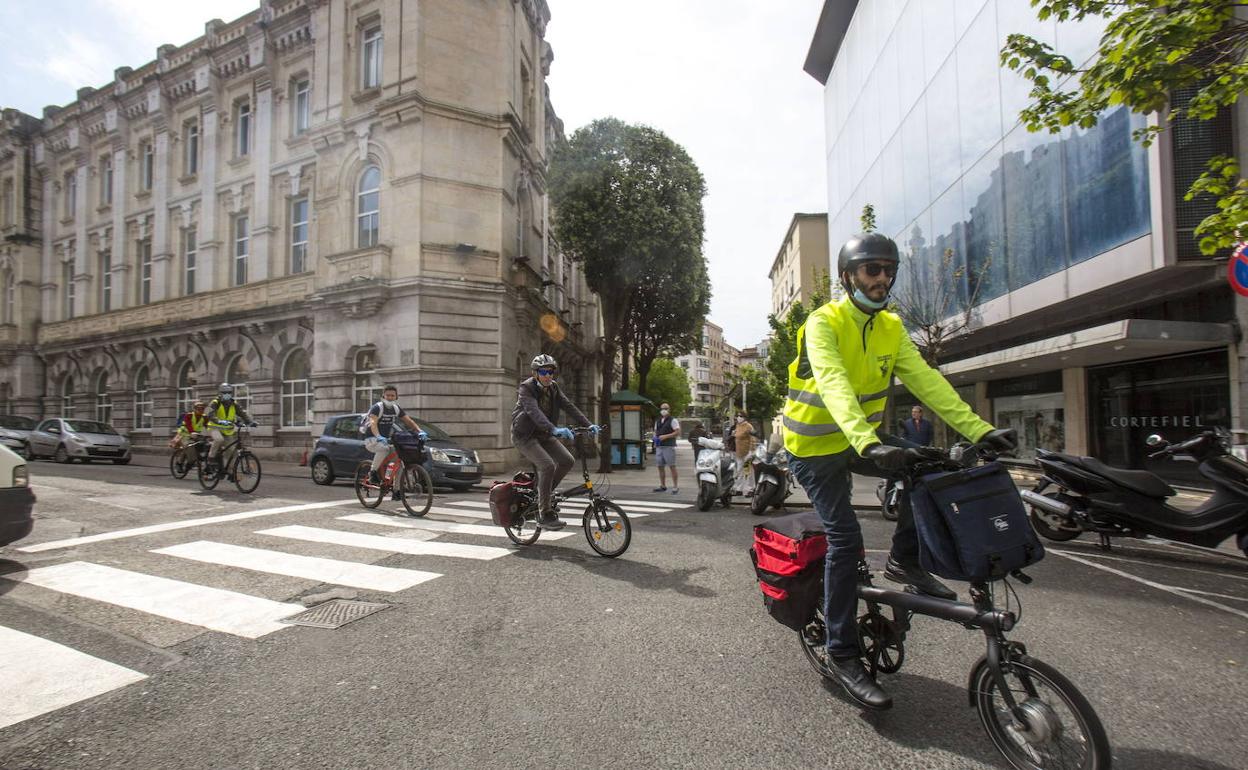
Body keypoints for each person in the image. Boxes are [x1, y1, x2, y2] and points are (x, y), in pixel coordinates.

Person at [782, 231, 1017, 711]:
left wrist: (979, 431)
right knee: (845, 540)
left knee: (930, 466)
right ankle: (842, 652)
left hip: (856, 438)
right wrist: (868, 442)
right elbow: (832, 381)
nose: (882, 278)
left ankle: (905, 560)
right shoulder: (822, 323)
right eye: (873, 270)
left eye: (889, 270)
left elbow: (926, 381)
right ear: (849, 277)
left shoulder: (891, 327)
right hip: (812, 448)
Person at [511, 354, 597, 529]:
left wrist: (589, 425)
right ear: (535, 373)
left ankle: (545, 493)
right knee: (548, 465)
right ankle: (544, 513)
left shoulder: (554, 388)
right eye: (544, 372)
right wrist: (554, 429)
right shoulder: (526, 388)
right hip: (525, 436)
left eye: (551, 372)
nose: (548, 375)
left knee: (567, 460)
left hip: (543, 434)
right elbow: (534, 412)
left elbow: (569, 406)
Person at [364, 385, 428, 488]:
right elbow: (373, 422)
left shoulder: (396, 408)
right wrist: (378, 436)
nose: (390, 397)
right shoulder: (377, 407)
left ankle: (396, 490)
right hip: (372, 439)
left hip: (385, 439)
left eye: (392, 395)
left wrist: (420, 431)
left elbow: (409, 421)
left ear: (396, 397)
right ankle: (372, 472)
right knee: (384, 449)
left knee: (400, 459)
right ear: (383, 396)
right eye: (387, 395)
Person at [204, 384, 257, 472]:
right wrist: (218, 421)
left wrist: (250, 422)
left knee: (232, 450)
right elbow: (208, 413)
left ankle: (228, 470)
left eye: (229, 392)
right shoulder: (215, 402)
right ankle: (211, 458)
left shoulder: (234, 403)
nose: (227, 394)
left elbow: (242, 413)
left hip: (227, 430)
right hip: (215, 428)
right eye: (225, 392)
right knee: (219, 440)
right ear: (220, 393)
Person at [652, 402, 681, 494]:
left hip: (669, 446)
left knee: (672, 466)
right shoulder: (658, 420)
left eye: (665, 408)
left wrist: (666, 436)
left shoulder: (673, 420)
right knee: (660, 466)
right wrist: (654, 438)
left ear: (669, 410)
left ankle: (675, 486)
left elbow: (677, 432)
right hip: (659, 446)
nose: (663, 410)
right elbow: (655, 432)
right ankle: (663, 485)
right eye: (662, 409)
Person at [733, 411, 757, 494]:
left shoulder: (748, 426)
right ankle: (739, 488)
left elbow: (753, 439)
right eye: (738, 416)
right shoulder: (738, 426)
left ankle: (751, 488)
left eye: (740, 416)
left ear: (744, 417)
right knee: (739, 470)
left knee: (748, 471)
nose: (738, 417)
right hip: (739, 452)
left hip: (747, 452)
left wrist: (751, 451)